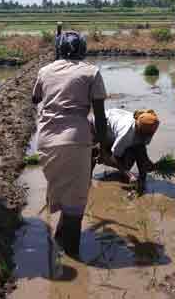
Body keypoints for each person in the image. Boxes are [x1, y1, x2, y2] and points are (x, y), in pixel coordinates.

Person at [31, 31, 108, 259]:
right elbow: (100, 116)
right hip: (75, 139)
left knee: (64, 191)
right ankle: (74, 258)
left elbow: (35, 99)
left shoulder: (45, 70)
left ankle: (59, 241)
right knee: (75, 203)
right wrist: (103, 147)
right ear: (83, 50)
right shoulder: (91, 72)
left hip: (46, 139)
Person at [91, 108, 160, 192]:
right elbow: (115, 156)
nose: (149, 137)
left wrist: (146, 172)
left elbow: (141, 152)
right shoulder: (127, 134)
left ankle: (123, 172)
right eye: (148, 135)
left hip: (114, 126)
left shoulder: (147, 130)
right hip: (99, 126)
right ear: (139, 130)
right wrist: (129, 175)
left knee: (129, 160)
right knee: (97, 153)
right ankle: (88, 175)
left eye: (151, 134)